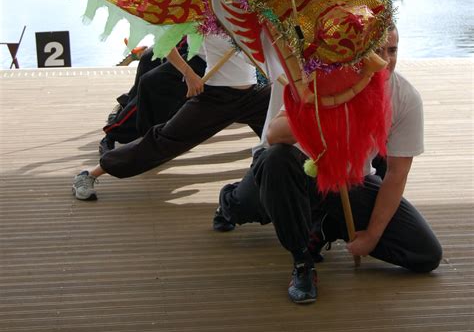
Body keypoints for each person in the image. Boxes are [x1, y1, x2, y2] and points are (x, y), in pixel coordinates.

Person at [213, 26, 443, 304]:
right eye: (376, 51)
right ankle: (300, 259)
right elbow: (275, 135)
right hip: (289, 172)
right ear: (355, 53)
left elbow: (397, 173)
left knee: (425, 253)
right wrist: (334, 117)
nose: (385, 59)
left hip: (347, 181)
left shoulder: (405, 97)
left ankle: (322, 225)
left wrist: (371, 236)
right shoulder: (323, 80)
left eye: (392, 50)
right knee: (261, 183)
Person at [72, 34, 270, 200]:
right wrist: (188, 73)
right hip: (216, 96)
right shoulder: (205, 8)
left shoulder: (254, 9)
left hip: (254, 93)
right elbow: (166, 41)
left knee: (282, 134)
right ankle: (90, 174)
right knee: (165, 139)